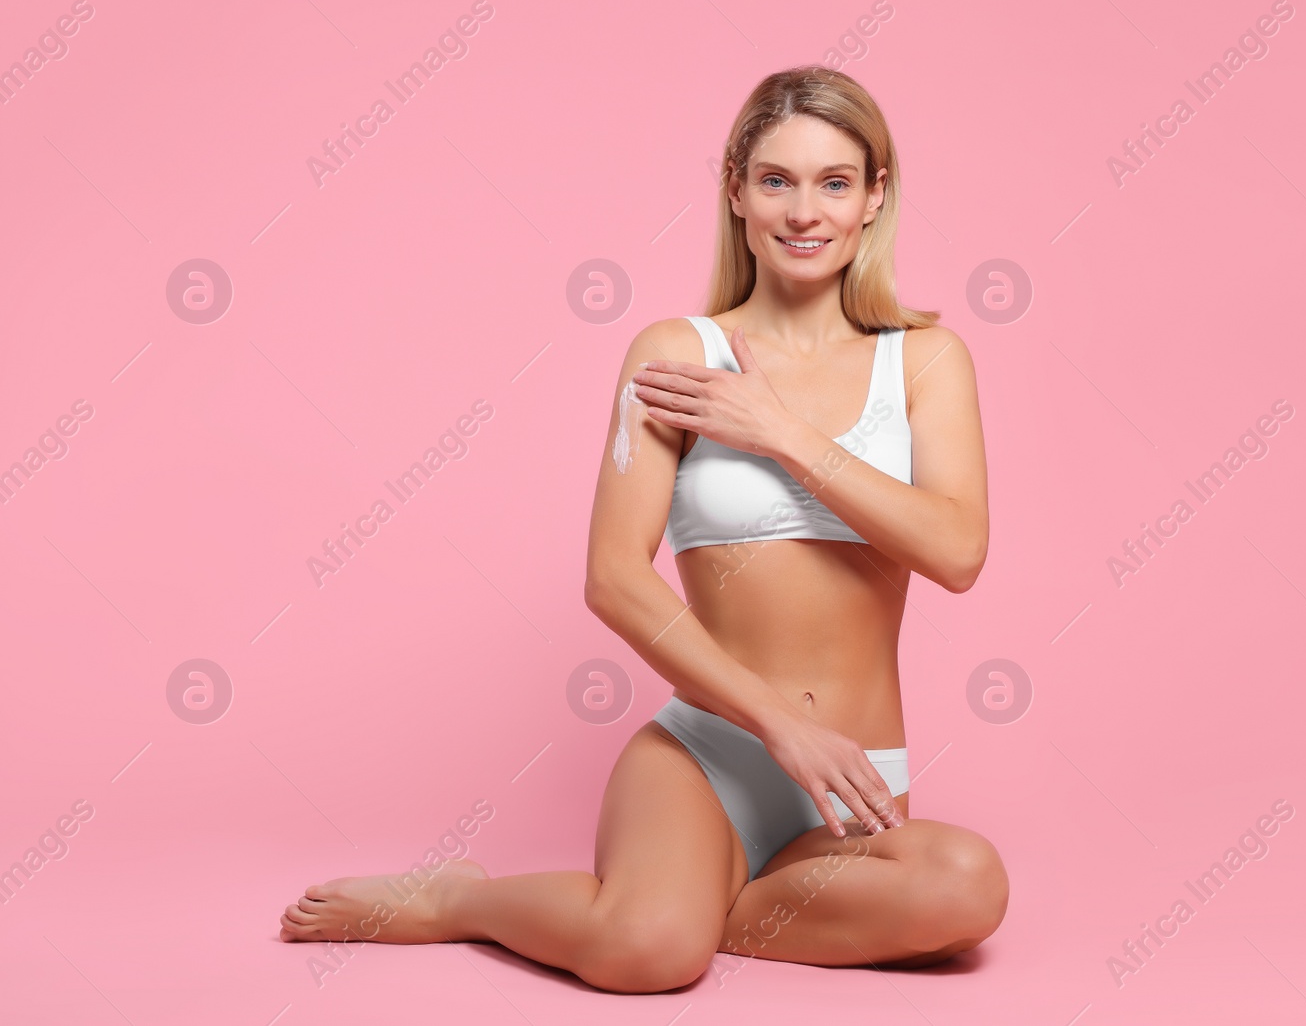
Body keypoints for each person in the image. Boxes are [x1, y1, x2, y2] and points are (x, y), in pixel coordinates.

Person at [278, 66, 1007, 993]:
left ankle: (691, 904)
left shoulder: (927, 360)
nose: (803, 211)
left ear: (874, 197)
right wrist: (780, 724)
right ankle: (460, 900)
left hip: (859, 777)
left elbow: (956, 551)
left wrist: (781, 431)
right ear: (737, 191)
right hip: (710, 757)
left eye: (834, 181)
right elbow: (614, 577)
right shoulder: (676, 355)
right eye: (776, 180)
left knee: (967, 888)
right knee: (647, 955)